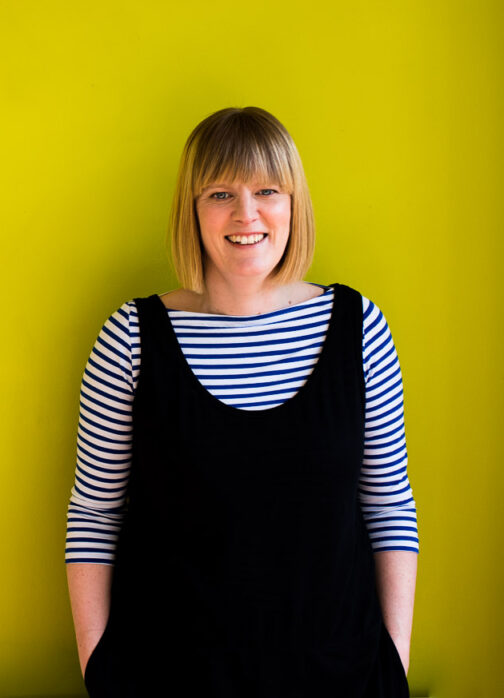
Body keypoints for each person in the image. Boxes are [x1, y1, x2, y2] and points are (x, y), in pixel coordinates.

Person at [65, 107, 418, 697]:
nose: (246, 213)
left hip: (341, 680)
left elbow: (389, 508)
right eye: (221, 193)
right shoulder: (131, 338)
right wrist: (99, 669)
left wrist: (393, 661)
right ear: (192, 210)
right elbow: (95, 516)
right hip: (167, 680)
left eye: (267, 190)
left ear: (292, 204)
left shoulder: (360, 329)